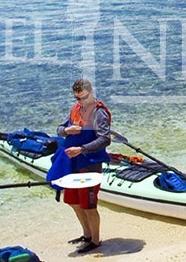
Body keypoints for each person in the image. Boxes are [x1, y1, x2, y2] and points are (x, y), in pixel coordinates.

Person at [57, 79, 111, 254]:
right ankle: (87, 235)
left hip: (90, 166)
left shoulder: (99, 113)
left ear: (91, 92)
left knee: (89, 205)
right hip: (73, 164)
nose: (80, 101)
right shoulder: (76, 108)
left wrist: (82, 149)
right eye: (77, 98)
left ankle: (95, 240)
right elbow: (59, 129)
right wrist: (66, 131)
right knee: (73, 202)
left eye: (84, 97)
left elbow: (105, 139)